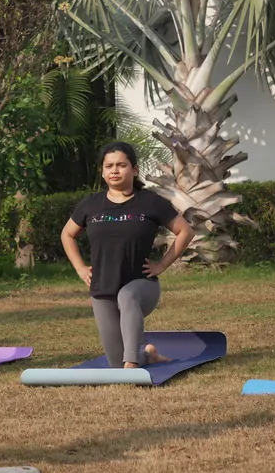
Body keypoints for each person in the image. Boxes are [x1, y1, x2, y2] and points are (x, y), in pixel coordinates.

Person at [60, 141, 195, 369]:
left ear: (134, 169)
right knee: (115, 363)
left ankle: (131, 364)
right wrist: (80, 268)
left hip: (141, 284)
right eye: (109, 166)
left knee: (127, 295)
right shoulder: (91, 204)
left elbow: (185, 231)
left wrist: (161, 265)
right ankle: (147, 355)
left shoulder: (150, 202)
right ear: (102, 172)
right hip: (103, 288)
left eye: (121, 165)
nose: (114, 170)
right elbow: (67, 234)